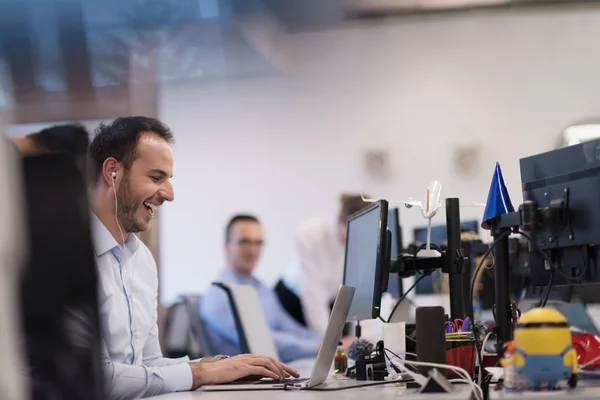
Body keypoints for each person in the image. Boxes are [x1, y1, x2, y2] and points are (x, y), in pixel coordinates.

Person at [87, 117, 298, 399]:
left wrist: (222, 366)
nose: (170, 194)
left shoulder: (143, 261)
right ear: (112, 171)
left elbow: (147, 366)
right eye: (155, 177)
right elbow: (96, 380)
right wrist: (200, 373)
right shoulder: (67, 258)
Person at [201, 215, 323, 363]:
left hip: (274, 369)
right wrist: (316, 347)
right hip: (244, 381)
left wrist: (332, 342)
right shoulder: (220, 293)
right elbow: (260, 341)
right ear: (227, 245)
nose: (253, 250)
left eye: (258, 243)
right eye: (244, 241)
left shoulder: (261, 288)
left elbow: (291, 329)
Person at [276, 194, 370, 334]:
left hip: (332, 302)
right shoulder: (311, 233)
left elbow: (360, 292)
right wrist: (328, 340)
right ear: (340, 220)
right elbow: (312, 291)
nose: (356, 239)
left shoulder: (364, 242)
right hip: (293, 301)